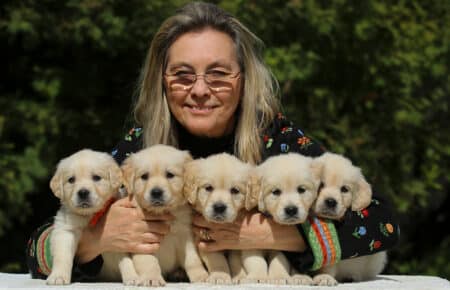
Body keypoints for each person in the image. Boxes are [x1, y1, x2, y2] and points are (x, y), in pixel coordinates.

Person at [26, 1, 399, 281]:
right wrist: (96, 239)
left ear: (244, 79)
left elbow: (383, 225)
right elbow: (38, 246)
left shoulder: (276, 137)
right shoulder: (144, 146)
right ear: (162, 82)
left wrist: (281, 235)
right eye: (183, 75)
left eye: (218, 74)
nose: (200, 90)